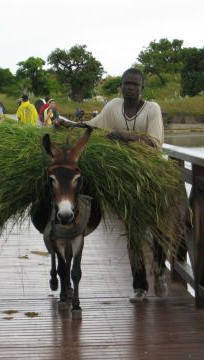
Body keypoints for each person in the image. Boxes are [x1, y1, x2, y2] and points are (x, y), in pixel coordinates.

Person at [84, 67, 167, 303]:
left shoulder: (152, 109)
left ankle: (160, 269)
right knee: (133, 233)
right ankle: (139, 286)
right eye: (126, 84)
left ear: (142, 88)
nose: (130, 87)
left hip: (152, 174)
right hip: (127, 178)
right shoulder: (113, 106)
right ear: (121, 86)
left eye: (135, 84)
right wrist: (68, 125)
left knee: (160, 228)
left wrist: (124, 136)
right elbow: (94, 126)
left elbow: (155, 143)